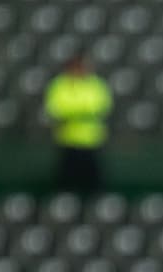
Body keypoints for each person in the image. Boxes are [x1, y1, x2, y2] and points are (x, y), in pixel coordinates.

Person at [43, 54, 112, 192]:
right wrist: (82, 113)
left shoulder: (96, 85)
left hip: (91, 140)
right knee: (66, 180)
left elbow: (102, 107)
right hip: (68, 139)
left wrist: (74, 114)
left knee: (93, 180)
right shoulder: (60, 85)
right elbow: (55, 108)